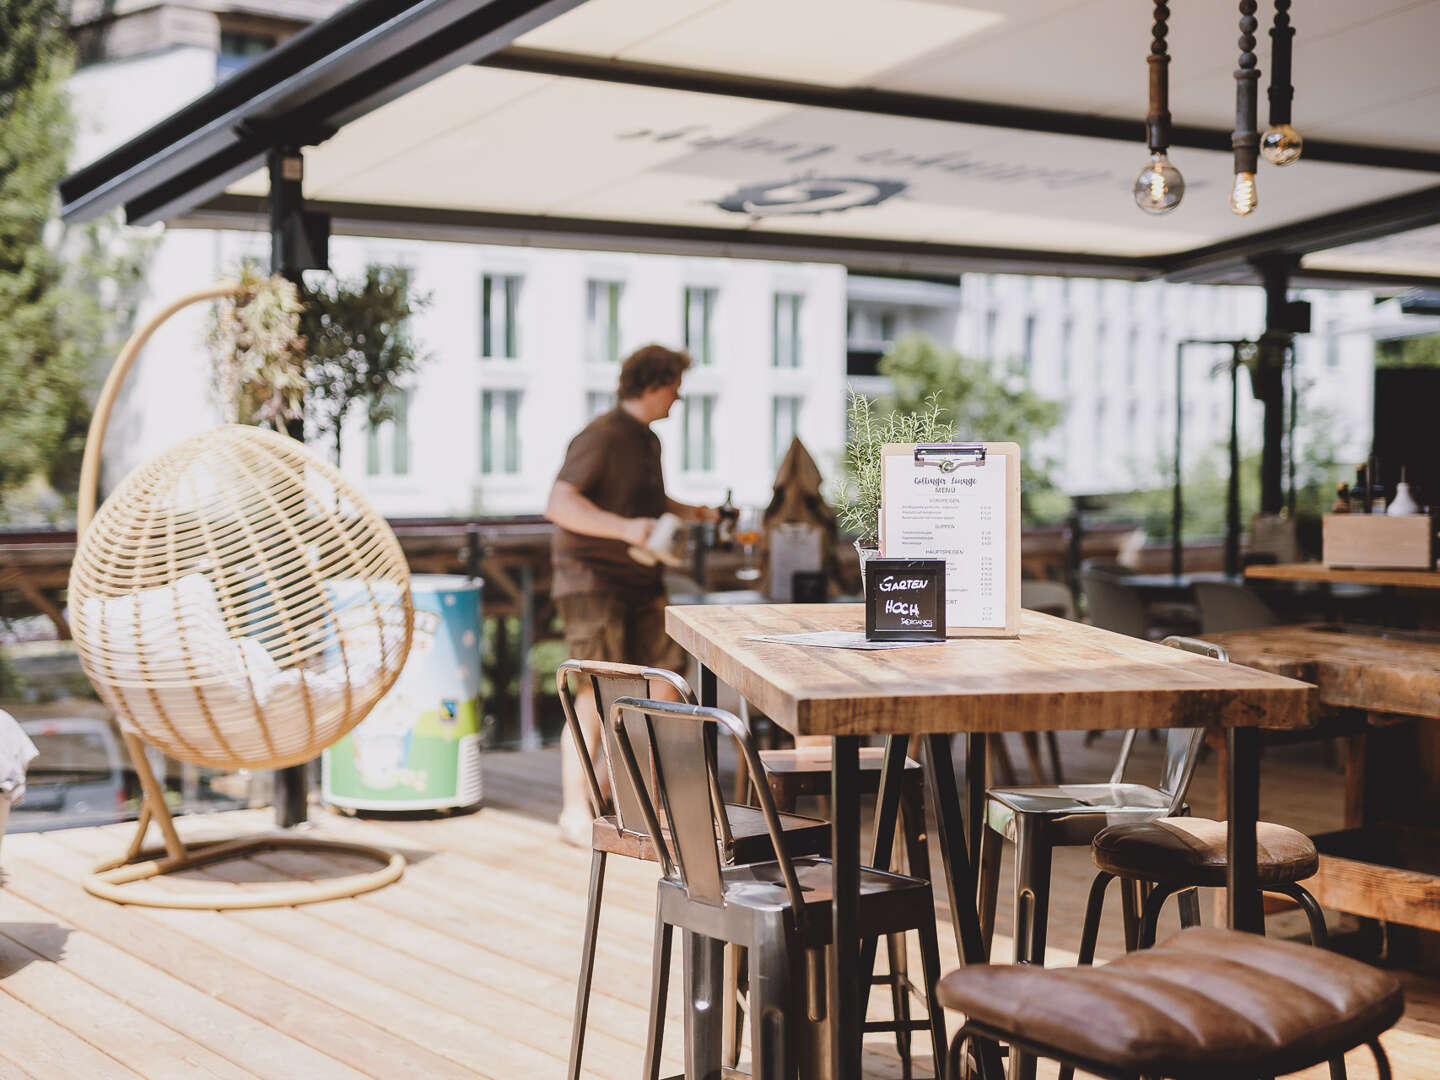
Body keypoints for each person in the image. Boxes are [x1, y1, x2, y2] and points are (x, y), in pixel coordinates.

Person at [546, 344, 718, 844]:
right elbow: (559, 503)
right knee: (595, 695)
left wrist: (692, 512)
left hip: (643, 581)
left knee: (666, 680)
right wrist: (626, 530)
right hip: (591, 582)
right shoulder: (600, 436)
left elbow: (649, 502)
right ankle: (574, 811)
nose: (678, 399)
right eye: (674, 388)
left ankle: (618, 794)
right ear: (651, 384)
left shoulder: (648, 441)